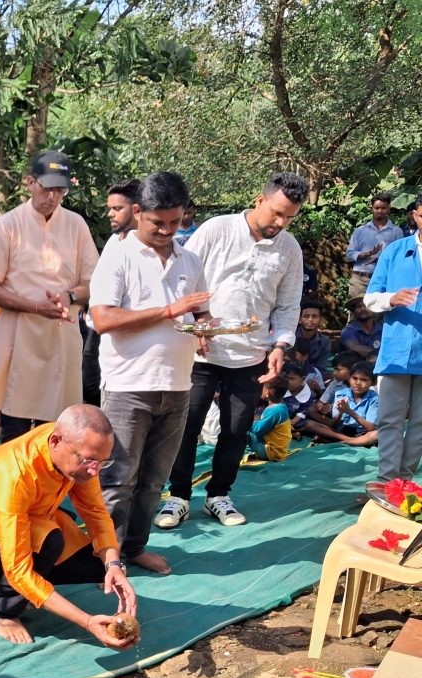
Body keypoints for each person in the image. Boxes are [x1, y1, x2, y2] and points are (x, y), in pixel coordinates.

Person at [158, 172, 308, 529]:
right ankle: (177, 497)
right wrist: (193, 327)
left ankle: (218, 495)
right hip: (202, 351)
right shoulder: (216, 230)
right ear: (259, 200)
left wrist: (280, 344)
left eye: (289, 217)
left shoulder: (289, 248)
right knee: (187, 424)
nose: (280, 222)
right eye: (276, 212)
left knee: (237, 428)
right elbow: (183, 278)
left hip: (252, 355)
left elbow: (288, 305)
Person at [90, 172, 210, 576]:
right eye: (158, 222)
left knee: (153, 481)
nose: (166, 230)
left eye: (175, 222)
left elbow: (200, 311)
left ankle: (134, 548)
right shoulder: (118, 255)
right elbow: (104, 319)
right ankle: (104, 559)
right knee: (117, 479)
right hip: (128, 386)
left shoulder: (189, 259)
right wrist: (170, 311)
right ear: (137, 212)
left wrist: (207, 327)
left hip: (176, 385)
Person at [0, 405, 138, 648]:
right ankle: (2, 611)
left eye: (102, 462)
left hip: (33, 518)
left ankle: (31, 588)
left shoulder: (79, 455)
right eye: (88, 460)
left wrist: (114, 564)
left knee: (98, 566)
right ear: (55, 441)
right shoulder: (14, 472)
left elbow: (95, 512)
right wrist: (86, 621)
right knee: (49, 540)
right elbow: (18, 569)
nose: (94, 471)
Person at [0, 150, 99, 441]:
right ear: (29, 182)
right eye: (47, 188)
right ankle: (15, 487)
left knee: (57, 430)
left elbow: (92, 281)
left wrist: (69, 296)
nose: (52, 197)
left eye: (60, 190)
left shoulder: (76, 224)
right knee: (15, 429)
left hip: (61, 336)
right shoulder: (7, 225)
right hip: (19, 337)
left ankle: (50, 487)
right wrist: (34, 306)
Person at [363, 203, 422, 480]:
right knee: (390, 420)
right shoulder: (395, 251)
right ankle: (387, 481)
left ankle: (405, 482)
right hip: (396, 352)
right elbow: (370, 299)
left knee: (421, 423)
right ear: (415, 215)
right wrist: (392, 298)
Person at [84, 179, 141, 408]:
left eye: (117, 208)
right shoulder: (113, 242)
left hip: (127, 337)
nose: (110, 214)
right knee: (90, 388)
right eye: (109, 208)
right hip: (96, 330)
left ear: (137, 209)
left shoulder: (152, 250)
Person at [345, 193, 402, 301]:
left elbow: (399, 258)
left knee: (378, 315)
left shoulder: (396, 232)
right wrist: (365, 254)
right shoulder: (360, 231)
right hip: (360, 279)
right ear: (372, 209)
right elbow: (349, 254)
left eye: (383, 208)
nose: (380, 211)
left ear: (389, 209)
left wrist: (382, 259)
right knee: (356, 313)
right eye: (377, 208)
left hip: (383, 279)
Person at [247, 376, 292, 461]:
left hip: (272, 452)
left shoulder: (274, 411)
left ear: (267, 392)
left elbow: (258, 429)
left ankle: (241, 452)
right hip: (280, 451)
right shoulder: (281, 406)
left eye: (262, 387)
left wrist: (245, 422)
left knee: (244, 430)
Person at [294, 298, 331, 376]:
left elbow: (321, 368)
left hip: (315, 379)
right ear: (299, 319)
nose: (310, 320)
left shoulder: (325, 341)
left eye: (315, 316)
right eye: (306, 316)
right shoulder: (290, 338)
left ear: (320, 319)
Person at [341, 296, 382, 363]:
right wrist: (378, 355)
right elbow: (353, 347)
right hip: (356, 369)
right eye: (359, 306)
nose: (362, 309)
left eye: (366, 305)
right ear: (354, 311)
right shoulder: (348, 330)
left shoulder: (383, 328)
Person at [281, 361, 314, 435]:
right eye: (286, 378)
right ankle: (292, 433)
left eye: (292, 379)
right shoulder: (280, 387)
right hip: (277, 416)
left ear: (303, 379)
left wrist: (292, 422)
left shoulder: (308, 393)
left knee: (309, 424)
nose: (288, 381)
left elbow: (303, 411)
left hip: (294, 420)